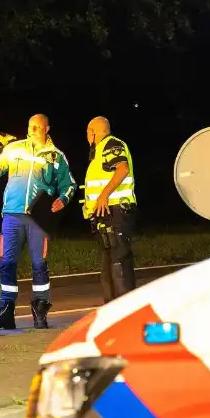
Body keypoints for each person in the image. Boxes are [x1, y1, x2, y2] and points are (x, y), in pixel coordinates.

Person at [0, 114, 77, 329]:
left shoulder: (56, 156)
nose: (31, 130)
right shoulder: (14, 148)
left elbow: (69, 184)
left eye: (36, 127)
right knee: (7, 263)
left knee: (39, 265)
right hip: (11, 214)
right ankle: (6, 310)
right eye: (29, 126)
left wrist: (63, 199)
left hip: (38, 219)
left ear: (47, 129)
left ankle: (40, 308)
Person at [83, 116, 138, 302]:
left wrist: (104, 195)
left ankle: (124, 310)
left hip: (116, 212)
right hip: (106, 215)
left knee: (118, 262)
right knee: (109, 266)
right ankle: (112, 308)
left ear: (92, 133)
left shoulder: (110, 144)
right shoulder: (99, 152)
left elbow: (122, 169)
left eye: (88, 133)